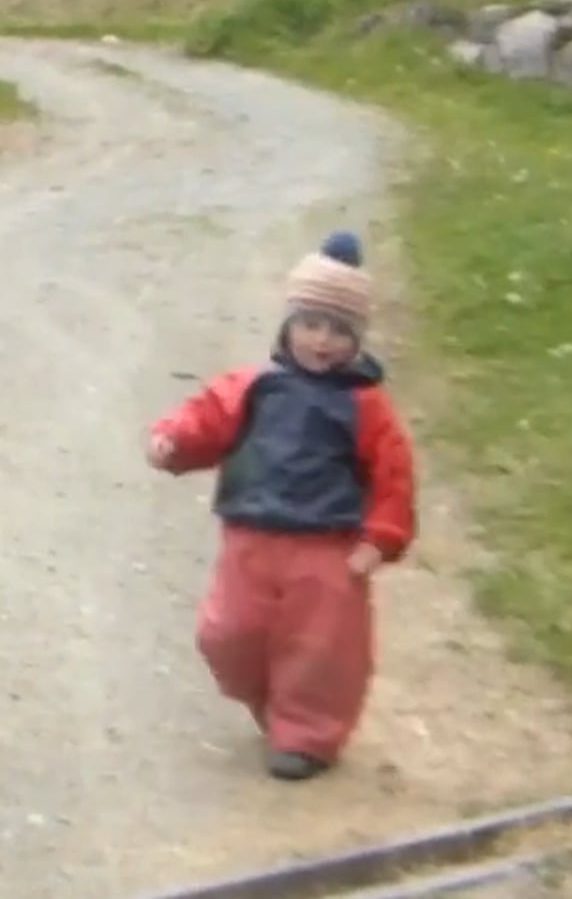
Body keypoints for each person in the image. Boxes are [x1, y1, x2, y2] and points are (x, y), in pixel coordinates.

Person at [145, 230, 417, 781]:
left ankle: (306, 735)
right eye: (310, 324)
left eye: (340, 330)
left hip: (329, 550)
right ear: (288, 325)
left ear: (357, 340)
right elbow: (206, 418)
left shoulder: (365, 406)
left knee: (321, 648)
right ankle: (270, 699)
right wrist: (174, 440)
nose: (323, 340)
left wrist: (380, 538)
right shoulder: (253, 386)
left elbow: (394, 477)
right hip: (250, 540)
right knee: (227, 634)